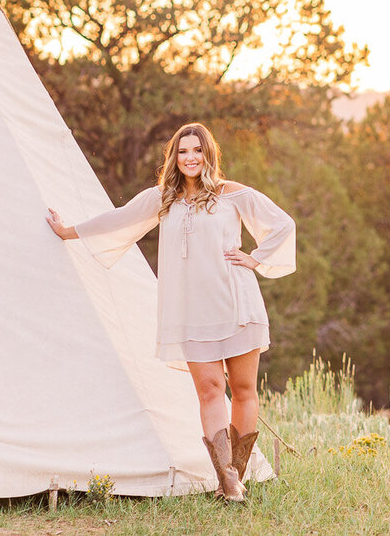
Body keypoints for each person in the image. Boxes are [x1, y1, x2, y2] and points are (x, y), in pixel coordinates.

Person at [47, 122, 296, 504]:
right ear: (174, 158)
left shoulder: (232, 195)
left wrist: (255, 258)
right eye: (183, 151)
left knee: (244, 391)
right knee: (210, 391)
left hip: (237, 305)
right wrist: (68, 231)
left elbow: (282, 224)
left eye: (197, 150)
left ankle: (235, 480)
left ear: (208, 155)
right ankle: (227, 480)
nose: (190, 158)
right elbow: (118, 219)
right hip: (191, 312)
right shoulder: (162, 198)